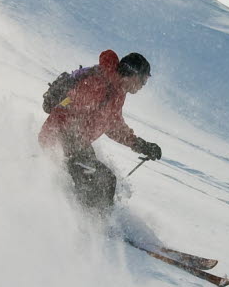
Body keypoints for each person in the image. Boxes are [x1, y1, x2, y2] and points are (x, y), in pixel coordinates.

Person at [39, 50, 162, 212]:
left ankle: (94, 222)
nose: (142, 86)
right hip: (62, 138)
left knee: (99, 182)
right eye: (143, 80)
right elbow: (64, 111)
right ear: (132, 73)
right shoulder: (99, 83)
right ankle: (94, 225)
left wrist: (140, 144)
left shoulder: (117, 92)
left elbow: (113, 125)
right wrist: (60, 146)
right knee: (104, 180)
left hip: (76, 142)